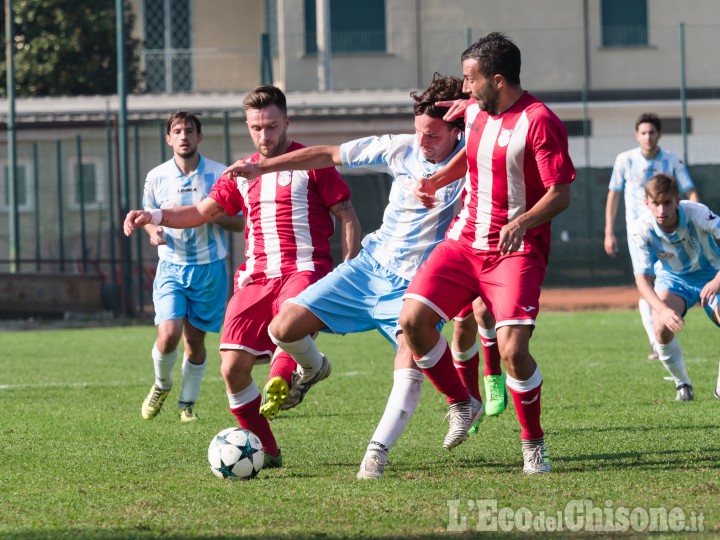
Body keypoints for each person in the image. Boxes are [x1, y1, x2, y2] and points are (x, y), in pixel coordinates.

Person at [224, 74, 496, 479]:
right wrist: (264, 166)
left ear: (457, 131)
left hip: (418, 283)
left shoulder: (474, 163)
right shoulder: (399, 147)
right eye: (419, 131)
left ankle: (377, 454)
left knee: (408, 365)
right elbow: (327, 154)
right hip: (369, 267)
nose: (422, 141)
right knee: (283, 328)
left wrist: (472, 107)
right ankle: (314, 368)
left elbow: (491, 126)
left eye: (433, 135)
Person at [125, 86, 361, 468]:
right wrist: (151, 216)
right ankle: (268, 449)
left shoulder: (312, 163)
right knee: (231, 368)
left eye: (271, 126)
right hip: (254, 278)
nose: (264, 135)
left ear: (286, 122)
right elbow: (200, 213)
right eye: (256, 127)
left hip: (304, 269)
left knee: (287, 324)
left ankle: (292, 374)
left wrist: (349, 262)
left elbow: (347, 214)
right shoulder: (241, 173)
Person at [401, 32, 576, 475]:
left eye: (470, 79)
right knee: (413, 321)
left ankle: (532, 442)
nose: (464, 88)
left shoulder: (539, 121)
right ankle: (462, 401)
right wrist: (438, 181)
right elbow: (473, 157)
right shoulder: (477, 111)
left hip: (515, 251)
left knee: (514, 350)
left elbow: (561, 194)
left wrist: (520, 223)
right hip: (463, 243)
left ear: (498, 80)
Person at [138, 111, 245, 423]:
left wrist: (209, 213)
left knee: (195, 342)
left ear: (199, 137)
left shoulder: (221, 175)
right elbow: (148, 216)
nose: (183, 136)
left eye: (189, 130)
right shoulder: (156, 176)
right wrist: (153, 231)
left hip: (209, 269)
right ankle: (161, 384)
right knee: (168, 335)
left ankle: (187, 404)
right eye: (177, 131)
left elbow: (240, 223)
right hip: (172, 267)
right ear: (169, 139)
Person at [604, 113, 699, 361]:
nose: (648, 136)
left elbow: (691, 192)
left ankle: (663, 334)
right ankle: (656, 342)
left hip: (669, 234)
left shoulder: (672, 160)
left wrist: (694, 223)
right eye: (643, 132)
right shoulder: (624, 160)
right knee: (646, 283)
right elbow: (613, 195)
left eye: (652, 132)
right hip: (639, 234)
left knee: (663, 283)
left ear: (659, 135)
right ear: (637, 135)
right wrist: (608, 232)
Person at [631, 173, 720, 402]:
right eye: (656, 204)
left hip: (712, 273)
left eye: (667, 203)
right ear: (647, 203)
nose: (662, 210)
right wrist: (661, 310)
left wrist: (716, 282)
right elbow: (642, 280)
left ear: (677, 200)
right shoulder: (641, 229)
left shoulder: (696, 212)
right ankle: (683, 384)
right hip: (673, 279)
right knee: (660, 327)